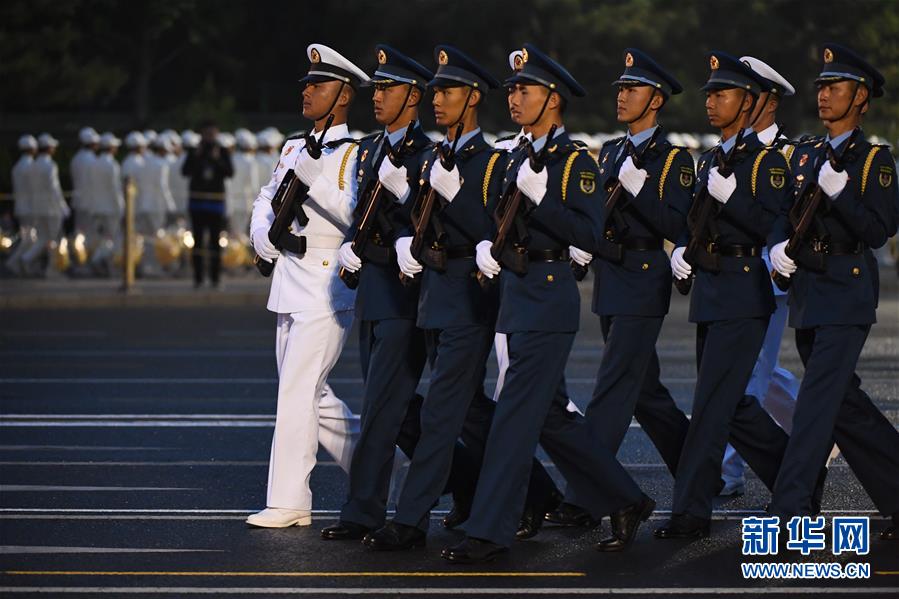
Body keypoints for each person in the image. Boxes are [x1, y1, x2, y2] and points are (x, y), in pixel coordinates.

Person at [444, 44, 653, 563]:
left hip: (547, 297)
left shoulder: (574, 162)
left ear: (553, 100)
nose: (514, 98)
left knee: (513, 419)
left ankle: (488, 530)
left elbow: (591, 234)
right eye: (512, 89)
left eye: (526, 90)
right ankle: (627, 499)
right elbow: (491, 220)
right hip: (512, 296)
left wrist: (543, 201)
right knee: (549, 418)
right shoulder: (512, 155)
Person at [361, 45, 504, 552]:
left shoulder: (490, 163)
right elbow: (418, 223)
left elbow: (491, 233)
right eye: (437, 90)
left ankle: (411, 519)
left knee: (443, 414)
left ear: (473, 98)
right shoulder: (433, 158)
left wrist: (454, 196)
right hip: (431, 299)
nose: (438, 100)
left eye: (449, 91)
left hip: (468, 298)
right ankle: (532, 492)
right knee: (466, 411)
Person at [558, 49, 694, 548]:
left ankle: (585, 495)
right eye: (619, 88)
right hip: (612, 276)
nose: (621, 95)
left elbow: (678, 226)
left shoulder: (673, 158)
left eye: (631, 89)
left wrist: (642, 193)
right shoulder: (612, 151)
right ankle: (701, 474)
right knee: (646, 394)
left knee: (613, 387)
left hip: (642, 276)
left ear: (655, 99)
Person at [655, 52, 792, 540]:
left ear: (750, 101)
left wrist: (734, 198)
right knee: (731, 406)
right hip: (711, 289)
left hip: (743, 288)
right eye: (709, 94)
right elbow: (693, 221)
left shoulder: (768, 162)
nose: (711, 103)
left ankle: (690, 512)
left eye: (723, 94)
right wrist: (681, 250)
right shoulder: (714, 158)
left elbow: (776, 226)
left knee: (712, 405)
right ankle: (796, 479)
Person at [768, 43, 899, 541]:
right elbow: (785, 206)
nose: (823, 95)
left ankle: (790, 512)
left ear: (861, 97)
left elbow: (878, 229)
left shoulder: (873, 160)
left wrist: (842, 193)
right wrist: (780, 243)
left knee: (818, 405)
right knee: (844, 406)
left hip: (846, 292)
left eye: (835, 87)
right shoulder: (805, 153)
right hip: (809, 292)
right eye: (821, 86)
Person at [246, 43, 368, 529]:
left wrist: (317, 183)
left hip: (325, 284)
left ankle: (290, 500)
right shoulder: (294, 146)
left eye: (318, 86)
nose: (308, 93)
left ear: (342, 96)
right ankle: (376, 469)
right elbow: (268, 195)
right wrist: (259, 231)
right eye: (307, 85)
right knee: (314, 396)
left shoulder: (355, 152)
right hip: (288, 280)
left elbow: (356, 215)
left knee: (297, 392)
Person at [324, 44, 439, 542]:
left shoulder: (428, 155)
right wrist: (351, 244)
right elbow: (360, 215)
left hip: (402, 292)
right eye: (378, 86)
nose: (378, 95)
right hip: (371, 290)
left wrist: (408, 195)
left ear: (413, 96)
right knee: (396, 407)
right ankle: (477, 480)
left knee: (380, 406)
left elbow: (432, 223)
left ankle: (363, 510)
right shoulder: (369, 149)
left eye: (389, 88)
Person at [719, 56, 800, 497]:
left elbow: (790, 212)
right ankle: (812, 421)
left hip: (768, 277)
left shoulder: (788, 154)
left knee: (747, 378)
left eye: (749, 92)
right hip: (728, 278)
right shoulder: (731, 149)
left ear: (768, 100)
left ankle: (728, 472)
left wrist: (780, 249)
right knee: (762, 373)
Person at [182, 121, 234, 287]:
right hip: (197, 201)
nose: (210, 137)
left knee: (214, 241)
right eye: (207, 134)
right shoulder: (195, 150)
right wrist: (196, 156)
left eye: (212, 134)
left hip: (215, 202)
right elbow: (185, 171)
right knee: (197, 241)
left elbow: (229, 172)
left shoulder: (222, 151)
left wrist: (218, 160)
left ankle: (215, 278)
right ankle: (198, 278)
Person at [22, 133, 69, 276]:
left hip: (38, 208)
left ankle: (26, 258)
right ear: (48, 148)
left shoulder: (33, 165)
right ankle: (52, 269)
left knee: (43, 238)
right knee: (54, 240)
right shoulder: (50, 165)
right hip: (52, 208)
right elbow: (54, 188)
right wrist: (63, 206)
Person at [88, 132, 125, 275]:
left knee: (103, 238)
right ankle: (97, 260)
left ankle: (104, 263)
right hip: (110, 208)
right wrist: (121, 207)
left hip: (97, 206)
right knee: (112, 238)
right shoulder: (112, 165)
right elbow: (115, 189)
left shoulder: (94, 163)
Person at [6, 135, 38, 275]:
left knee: (28, 239)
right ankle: (15, 262)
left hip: (21, 207)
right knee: (30, 240)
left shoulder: (17, 167)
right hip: (31, 207)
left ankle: (20, 264)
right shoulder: (31, 166)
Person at [70, 127, 99, 245]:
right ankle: (88, 260)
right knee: (91, 234)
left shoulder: (75, 158)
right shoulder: (93, 160)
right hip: (91, 202)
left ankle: (80, 260)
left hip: (78, 201)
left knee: (80, 233)